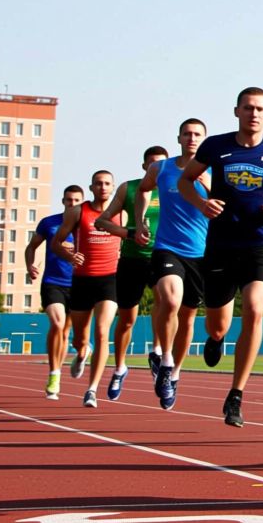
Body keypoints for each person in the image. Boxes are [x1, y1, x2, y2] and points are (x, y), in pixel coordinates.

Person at [179, 87, 263, 428]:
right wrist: (201, 203)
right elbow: (185, 180)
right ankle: (216, 339)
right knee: (217, 323)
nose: (253, 113)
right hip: (220, 245)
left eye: (260, 109)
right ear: (237, 111)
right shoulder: (216, 146)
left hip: (259, 244)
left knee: (254, 308)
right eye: (248, 108)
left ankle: (236, 393)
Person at [137, 119, 212, 410]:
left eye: (198, 135)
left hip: (201, 253)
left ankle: (176, 373)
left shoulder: (212, 171)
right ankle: (165, 360)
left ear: (204, 140)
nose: (192, 138)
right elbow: (143, 189)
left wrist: (211, 188)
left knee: (189, 317)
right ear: (179, 137)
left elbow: (227, 206)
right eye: (187, 134)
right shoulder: (161, 168)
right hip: (167, 248)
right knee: (169, 300)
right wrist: (141, 219)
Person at [94, 145, 169, 399]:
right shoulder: (129, 188)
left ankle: (157, 352)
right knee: (127, 319)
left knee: (165, 300)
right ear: (144, 166)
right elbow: (101, 221)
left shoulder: (176, 187)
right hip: (132, 258)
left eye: (161, 164)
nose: (156, 169)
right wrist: (129, 233)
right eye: (152, 164)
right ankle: (120, 368)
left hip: (163, 256)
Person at [50, 172, 122, 408]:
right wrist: (70, 255)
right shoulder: (78, 212)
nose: (103, 187)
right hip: (82, 281)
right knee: (80, 338)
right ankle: (82, 352)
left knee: (102, 331)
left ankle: (92, 390)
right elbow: (56, 243)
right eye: (99, 183)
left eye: (107, 184)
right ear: (92, 187)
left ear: (112, 187)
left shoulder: (122, 213)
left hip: (109, 280)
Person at [24, 186, 85, 399]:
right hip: (53, 282)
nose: (72, 203)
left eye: (77, 200)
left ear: (82, 201)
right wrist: (30, 265)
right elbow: (31, 246)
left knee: (69, 333)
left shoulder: (87, 225)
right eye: (69, 199)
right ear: (63, 201)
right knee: (57, 324)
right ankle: (54, 373)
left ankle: (82, 352)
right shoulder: (49, 223)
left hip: (79, 283)